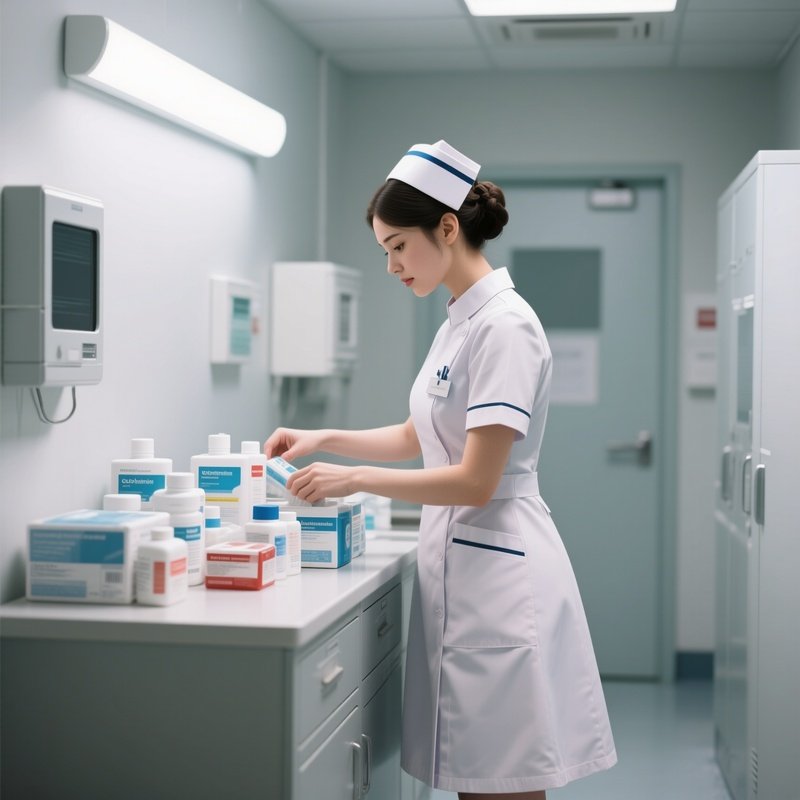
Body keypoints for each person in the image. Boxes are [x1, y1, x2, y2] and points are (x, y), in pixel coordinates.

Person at [264, 140, 617, 800]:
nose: (393, 264)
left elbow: (476, 479)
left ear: (447, 228)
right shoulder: (459, 320)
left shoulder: (505, 327)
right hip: (468, 568)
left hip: (500, 577)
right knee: (477, 778)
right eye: (385, 251)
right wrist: (323, 439)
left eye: (399, 245)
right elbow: (421, 434)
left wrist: (353, 479)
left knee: (503, 782)